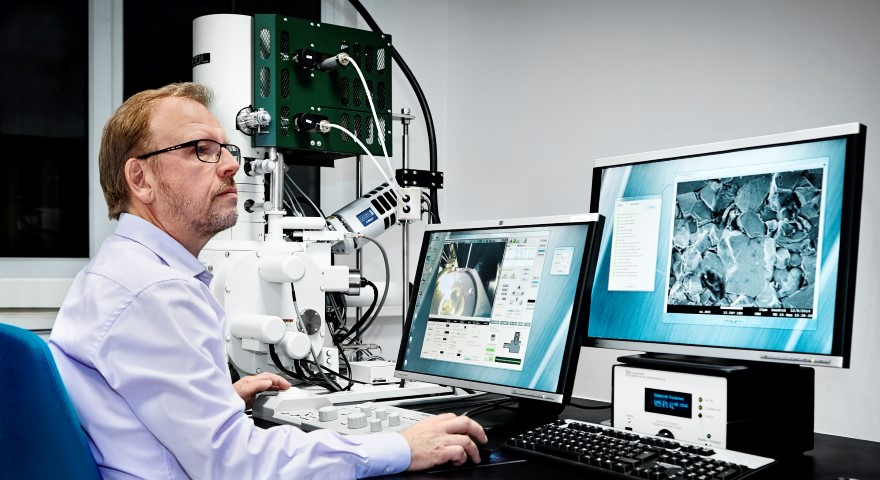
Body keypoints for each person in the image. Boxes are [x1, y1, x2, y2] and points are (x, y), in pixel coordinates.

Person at [48, 82, 487, 479]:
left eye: (226, 149)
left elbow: (129, 408)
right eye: (201, 149)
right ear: (140, 178)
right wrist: (398, 447)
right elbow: (235, 463)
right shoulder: (156, 291)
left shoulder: (117, 269)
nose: (228, 167)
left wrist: (214, 401)